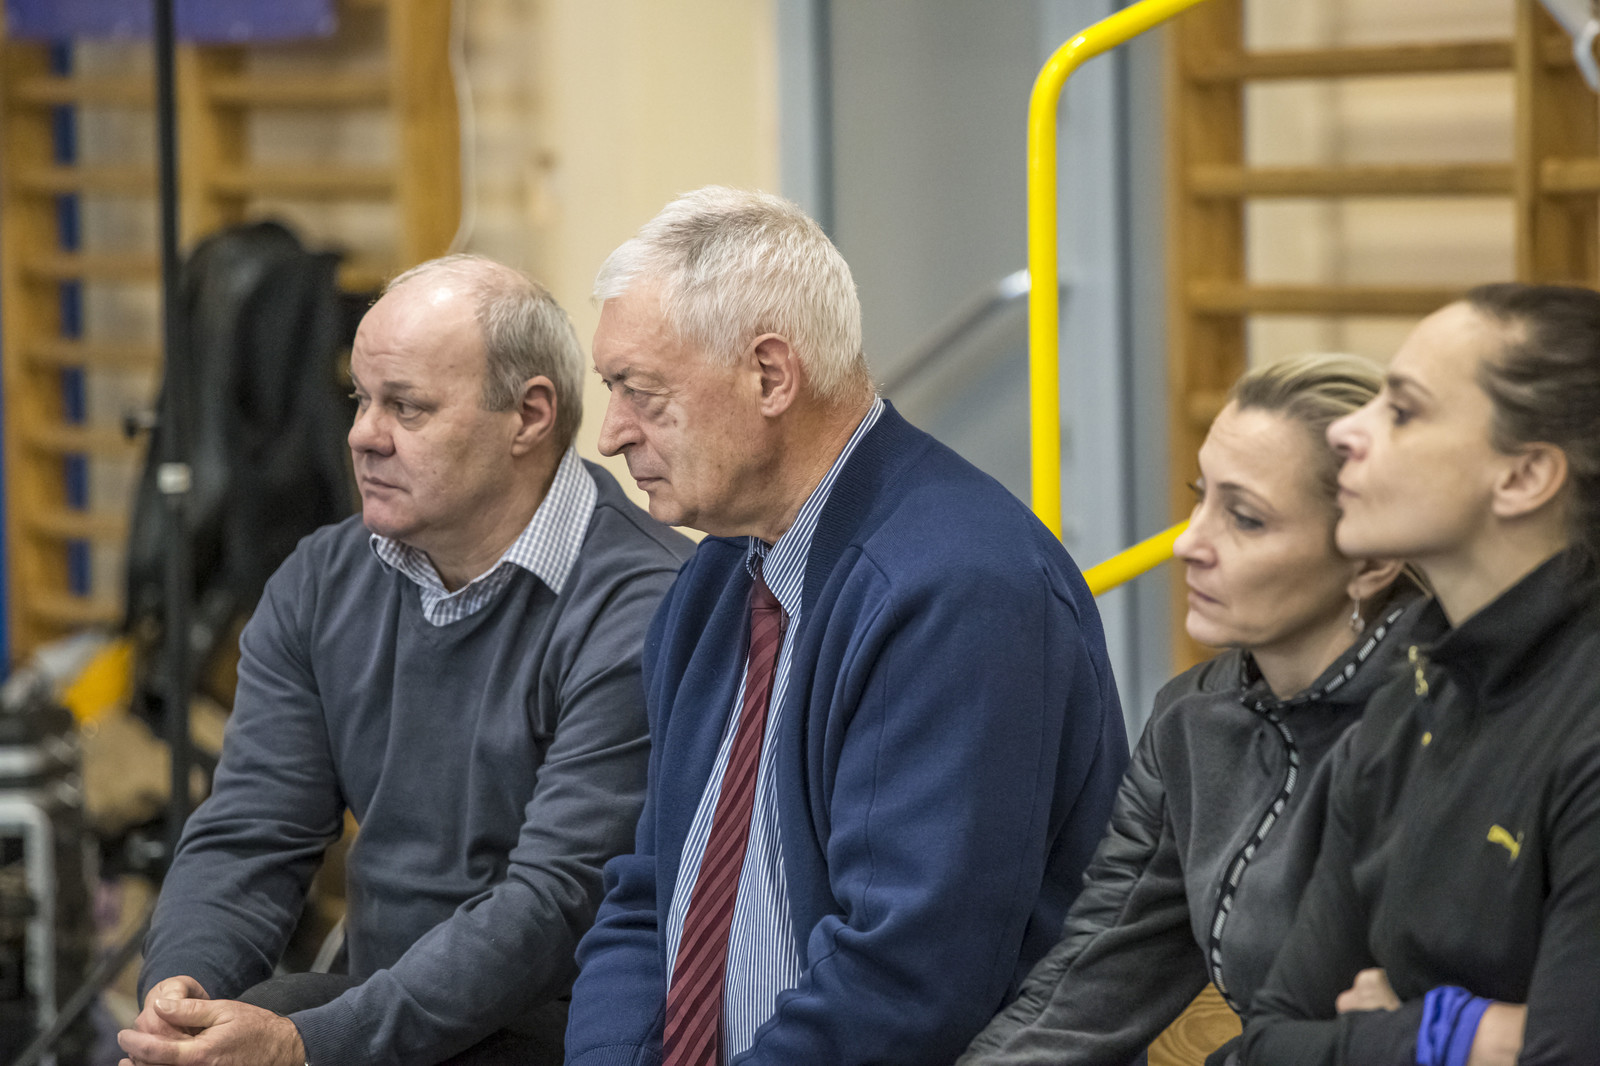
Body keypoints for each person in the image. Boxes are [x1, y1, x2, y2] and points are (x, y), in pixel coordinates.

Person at [560, 186, 1128, 1066]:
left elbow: (906, 981)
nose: (612, 434)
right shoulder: (718, 575)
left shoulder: (958, 588)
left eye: (642, 392)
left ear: (770, 376)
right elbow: (647, 894)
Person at [118, 255, 692, 1066]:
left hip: (570, 1029)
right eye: (360, 399)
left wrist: (308, 1042)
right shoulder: (321, 580)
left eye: (407, 407)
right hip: (382, 1015)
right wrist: (180, 995)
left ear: (529, 416)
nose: (362, 435)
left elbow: (554, 902)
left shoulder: (646, 604)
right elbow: (251, 834)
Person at [960, 354, 1417, 1066]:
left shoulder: (1447, 723)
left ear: (1371, 559)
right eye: (1200, 498)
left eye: (1245, 518)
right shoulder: (1192, 720)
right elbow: (1086, 993)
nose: (1187, 543)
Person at [1242, 283, 1600, 1066]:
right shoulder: (1409, 698)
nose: (1345, 430)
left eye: (1402, 411)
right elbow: (1270, 1040)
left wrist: (1402, 1032)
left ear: (1523, 477)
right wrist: (1454, 1036)